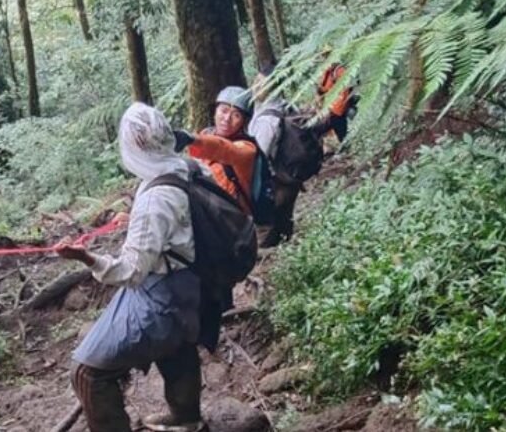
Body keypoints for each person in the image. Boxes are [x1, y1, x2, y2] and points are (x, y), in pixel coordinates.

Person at [55, 102, 218, 432]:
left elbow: (130, 272)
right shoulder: (189, 167)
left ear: (137, 145)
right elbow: (184, 222)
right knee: (176, 344)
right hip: (192, 285)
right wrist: (137, 222)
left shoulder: (156, 198)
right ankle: (187, 417)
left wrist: (85, 258)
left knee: (88, 372)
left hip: (164, 296)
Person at [247, 64, 357, 247]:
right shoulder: (288, 106)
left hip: (276, 180)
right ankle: (286, 251)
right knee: (284, 222)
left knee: (267, 227)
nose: (256, 86)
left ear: (273, 87)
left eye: (261, 83)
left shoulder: (267, 120)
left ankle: (271, 259)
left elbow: (259, 155)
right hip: (292, 175)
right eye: (256, 81)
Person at [173, 87, 258, 215]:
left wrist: (192, 139)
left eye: (236, 115)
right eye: (223, 111)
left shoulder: (247, 148)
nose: (227, 118)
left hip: (233, 218)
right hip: (204, 208)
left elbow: (226, 149)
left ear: (243, 122)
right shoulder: (205, 135)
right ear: (215, 111)